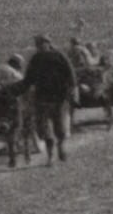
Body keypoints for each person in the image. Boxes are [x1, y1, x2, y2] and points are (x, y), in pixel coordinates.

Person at [19, 34, 77, 165]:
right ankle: (50, 156)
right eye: (38, 44)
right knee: (45, 129)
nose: (40, 46)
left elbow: (70, 74)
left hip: (59, 97)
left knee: (60, 126)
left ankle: (61, 148)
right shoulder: (35, 59)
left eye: (42, 43)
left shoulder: (59, 56)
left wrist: (72, 89)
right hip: (42, 98)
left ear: (48, 43)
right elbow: (28, 79)